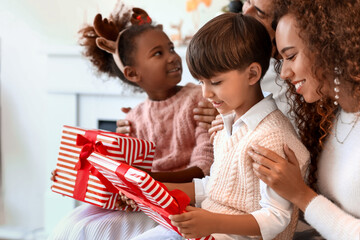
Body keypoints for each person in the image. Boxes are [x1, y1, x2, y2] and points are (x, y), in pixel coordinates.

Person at [133, 13, 310, 240]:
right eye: (201, 82)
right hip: (210, 229)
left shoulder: (272, 138)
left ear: (253, 74)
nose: (206, 93)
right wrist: (153, 190)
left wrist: (211, 222)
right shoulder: (226, 125)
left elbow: (276, 217)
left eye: (215, 82)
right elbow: (217, 187)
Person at [49, 4, 213, 240]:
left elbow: (204, 168)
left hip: (182, 200)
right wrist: (74, 175)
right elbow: (119, 173)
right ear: (132, 74)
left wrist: (145, 180)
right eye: (158, 53)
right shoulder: (133, 118)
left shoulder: (199, 98)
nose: (172, 57)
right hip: (143, 200)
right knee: (73, 225)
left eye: (170, 48)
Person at [248, 0, 360, 240]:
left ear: (331, 47)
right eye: (281, 59)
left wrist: (301, 194)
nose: (284, 73)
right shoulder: (335, 115)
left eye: (290, 56)